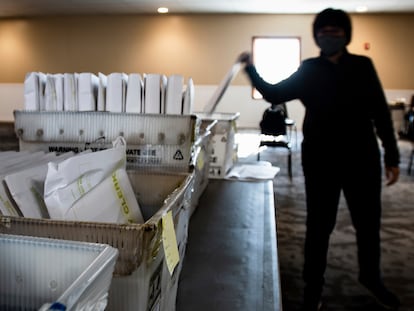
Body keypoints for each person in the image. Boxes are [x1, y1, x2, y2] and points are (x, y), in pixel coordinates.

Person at [238, 8, 401, 311]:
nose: (330, 35)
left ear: (346, 34)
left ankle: (371, 277)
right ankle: (313, 288)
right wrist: (251, 69)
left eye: (336, 30)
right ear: (316, 35)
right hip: (321, 160)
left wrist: (392, 155)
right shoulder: (309, 69)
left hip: (362, 158)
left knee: (368, 223)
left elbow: (380, 112)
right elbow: (274, 93)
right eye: (324, 31)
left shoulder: (362, 66)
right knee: (318, 226)